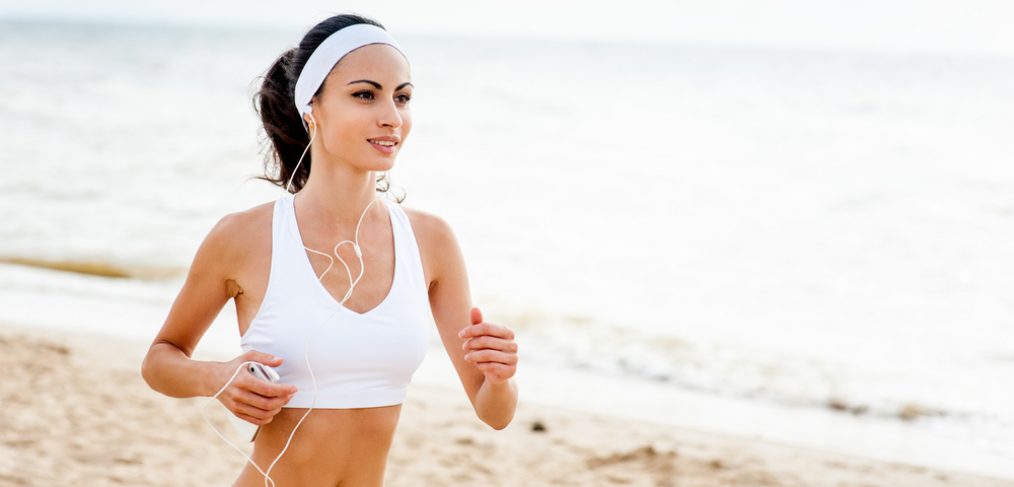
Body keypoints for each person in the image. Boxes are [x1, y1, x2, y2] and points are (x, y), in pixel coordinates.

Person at [140, 13, 519, 487]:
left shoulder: (431, 240)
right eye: (365, 94)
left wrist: (500, 374)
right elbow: (160, 360)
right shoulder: (244, 237)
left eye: (402, 97)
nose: (392, 116)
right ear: (311, 108)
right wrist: (215, 378)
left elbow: (494, 412)